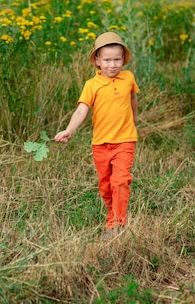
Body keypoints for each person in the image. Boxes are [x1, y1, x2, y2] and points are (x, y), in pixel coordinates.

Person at [54, 31, 139, 240]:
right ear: (97, 61)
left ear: (123, 60)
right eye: (107, 60)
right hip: (100, 144)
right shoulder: (91, 85)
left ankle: (117, 224)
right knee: (105, 185)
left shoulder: (128, 78)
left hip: (125, 140)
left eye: (117, 59)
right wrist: (69, 130)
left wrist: (134, 123)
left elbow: (133, 101)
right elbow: (81, 110)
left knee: (120, 180)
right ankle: (112, 215)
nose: (112, 65)